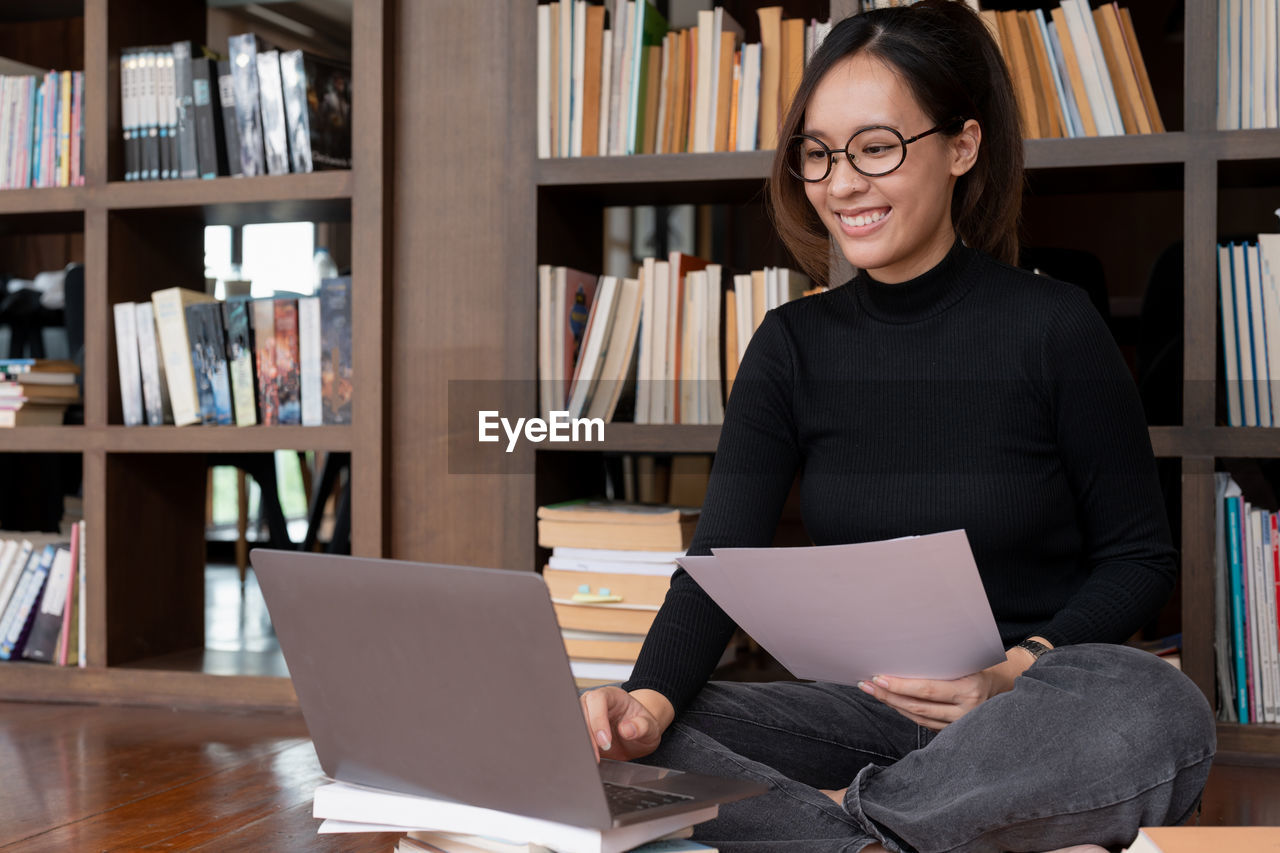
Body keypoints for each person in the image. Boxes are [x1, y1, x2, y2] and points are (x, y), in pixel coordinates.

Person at [578, 2, 1216, 851]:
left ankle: (850, 829)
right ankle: (884, 839)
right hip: (857, 711)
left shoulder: (1053, 326)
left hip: (1029, 710)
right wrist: (647, 703)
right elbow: (713, 571)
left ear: (961, 147)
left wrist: (1009, 670)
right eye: (818, 152)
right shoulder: (790, 347)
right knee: (609, 732)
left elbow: (1140, 557)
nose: (842, 182)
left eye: (876, 147)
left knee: (1159, 703)